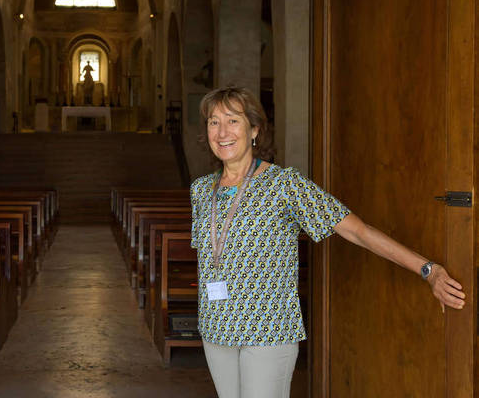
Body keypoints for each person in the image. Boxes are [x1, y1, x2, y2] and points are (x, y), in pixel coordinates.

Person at [190, 86, 465, 398]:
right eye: (214, 122)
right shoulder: (202, 189)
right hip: (216, 327)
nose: (222, 132)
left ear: (254, 129)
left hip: (265, 330)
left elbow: (357, 231)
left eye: (232, 120)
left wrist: (428, 270)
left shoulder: (284, 184)